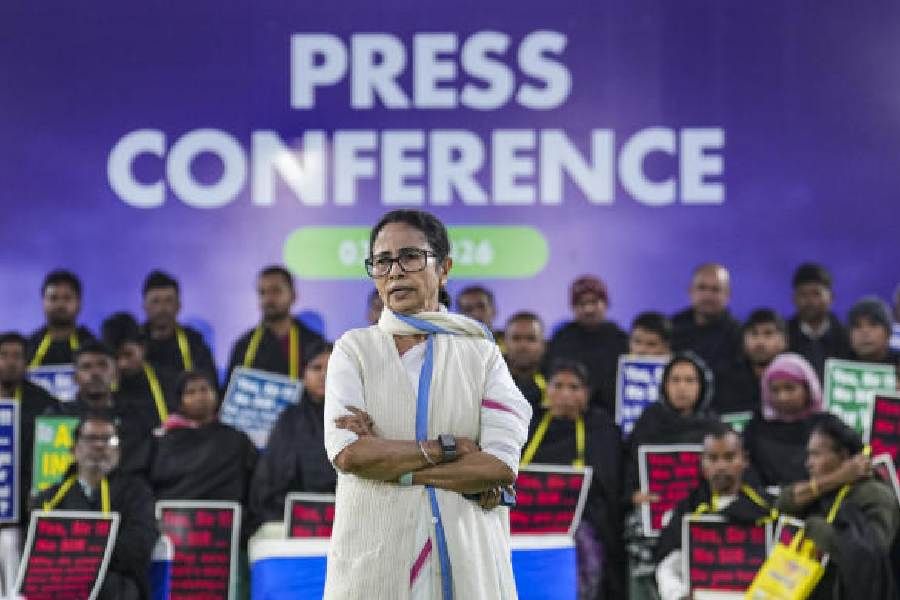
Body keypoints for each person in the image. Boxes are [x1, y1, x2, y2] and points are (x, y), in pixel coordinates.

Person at [323, 209, 532, 599]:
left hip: (467, 559)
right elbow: (349, 454)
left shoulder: (481, 354)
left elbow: (500, 466)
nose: (395, 272)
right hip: (374, 564)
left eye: (410, 257)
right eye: (382, 261)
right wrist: (448, 450)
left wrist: (392, 469)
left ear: (444, 268)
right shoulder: (354, 350)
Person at [521, 360, 625, 599]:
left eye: (574, 387)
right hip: (525, 522)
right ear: (546, 390)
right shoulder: (526, 425)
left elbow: (607, 488)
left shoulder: (602, 431)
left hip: (580, 525)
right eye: (558, 385)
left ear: (587, 394)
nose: (565, 394)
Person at [31, 414, 158, 600]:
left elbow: (138, 549)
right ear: (73, 449)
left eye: (108, 439)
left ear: (118, 451)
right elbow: (38, 554)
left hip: (117, 587)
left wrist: (76, 554)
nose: (99, 446)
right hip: (63, 587)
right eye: (90, 438)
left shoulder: (138, 493)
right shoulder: (48, 499)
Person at [624, 351, 719, 600]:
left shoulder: (714, 428)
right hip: (651, 524)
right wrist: (633, 495)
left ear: (702, 386)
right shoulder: (648, 423)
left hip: (697, 522)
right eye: (675, 380)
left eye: (690, 380)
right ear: (664, 385)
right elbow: (627, 470)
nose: (682, 388)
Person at [776, 414, 899, 599]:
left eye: (816, 455)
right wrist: (839, 477)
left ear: (843, 456)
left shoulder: (874, 494)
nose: (808, 463)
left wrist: (824, 533)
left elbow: (871, 558)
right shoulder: (821, 488)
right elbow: (783, 503)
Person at [655, 424, 775, 600]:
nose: (721, 466)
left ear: (744, 460)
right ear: (702, 463)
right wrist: (677, 594)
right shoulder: (688, 509)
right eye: (713, 458)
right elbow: (668, 565)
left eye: (729, 457)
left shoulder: (768, 507)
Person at [0, 332, 60, 597]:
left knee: (17, 586)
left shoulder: (42, 402)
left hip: (21, 514)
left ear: (27, 361)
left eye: (17, 356)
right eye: (3, 355)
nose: (10, 362)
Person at [249, 342, 336, 524]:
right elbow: (271, 480)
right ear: (303, 374)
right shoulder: (289, 419)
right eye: (316, 368)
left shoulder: (358, 417)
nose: (324, 375)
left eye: (332, 367)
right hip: (295, 519)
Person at [148, 370, 258, 511]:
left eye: (204, 389)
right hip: (174, 517)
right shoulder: (162, 441)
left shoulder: (236, 439)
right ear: (180, 402)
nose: (199, 396)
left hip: (226, 517)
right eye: (191, 392)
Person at [58, 341, 154, 475]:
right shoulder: (58, 415)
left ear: (115, 374)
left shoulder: (138, 417)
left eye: (102, 365)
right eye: (86, 367)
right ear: (75, 378)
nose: (95, 373)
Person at [225, 265, 325, 387]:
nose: (268, 299)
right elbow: (230, 392)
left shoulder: (313, 343)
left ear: (293, 296)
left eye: (276, 291)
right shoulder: (244, 346)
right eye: (262, 292)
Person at [547, 275, 628, 414]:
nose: (588, 309)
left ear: (606, 304)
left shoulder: (620, 339)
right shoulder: (561, 338)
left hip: (609, 414)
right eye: (582, 303)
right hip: (567, 413)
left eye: (594, 302)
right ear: (572, 307)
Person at [743, 352, 825, 487]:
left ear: (808, 388)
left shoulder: (826, 425)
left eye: (790, 388)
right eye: (775, 390)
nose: (782, 397)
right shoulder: (756, 427)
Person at [102, 312, 177, 429]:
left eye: (128, 354)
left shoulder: (170, 383)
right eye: (115, 357)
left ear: (143, 348)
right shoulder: (100, 390)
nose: (122, 364)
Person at [141, 270, 217, 385]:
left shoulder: (194, 343)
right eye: (155, 301)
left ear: (179, 306)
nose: (162, 308)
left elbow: (210, 385)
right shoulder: (134, 344)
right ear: (144, 306)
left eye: (168, 301)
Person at [713, 308, 787, 416]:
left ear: (784, 341)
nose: (760, 342)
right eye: (754, 334)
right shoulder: (724, 379)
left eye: (768, 334)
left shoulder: (796, 377)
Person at [671, 263, 741, 372]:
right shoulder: (672, 327)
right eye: (702, 288)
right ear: (690, 291)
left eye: (716, 289)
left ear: (728, 295)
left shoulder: (739, 335)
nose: (708, 295)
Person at [787, 263, 852, 379]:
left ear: (831, 297)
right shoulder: (784, 337)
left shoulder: (847, 337)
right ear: (793, 299)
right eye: (803, 294)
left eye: (816, 294)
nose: (809, 301)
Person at [25, 270, 95, 366]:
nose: (60, 304)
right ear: (43, 303)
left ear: (79, 303)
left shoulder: (93, 347)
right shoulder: (28, 348)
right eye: (53, 298)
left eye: (67, 298)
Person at [503, 311, 547, 412]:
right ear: (505, 343)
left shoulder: (557, 382)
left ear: (543, 345)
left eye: (531, 339)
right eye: (516, 338)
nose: (523, 346)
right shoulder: (486, 382)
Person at [848, 296, 900, 366]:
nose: (865, 332)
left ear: (888, 333)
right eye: (857, 326)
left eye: (873, 325)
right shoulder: (838, 362)